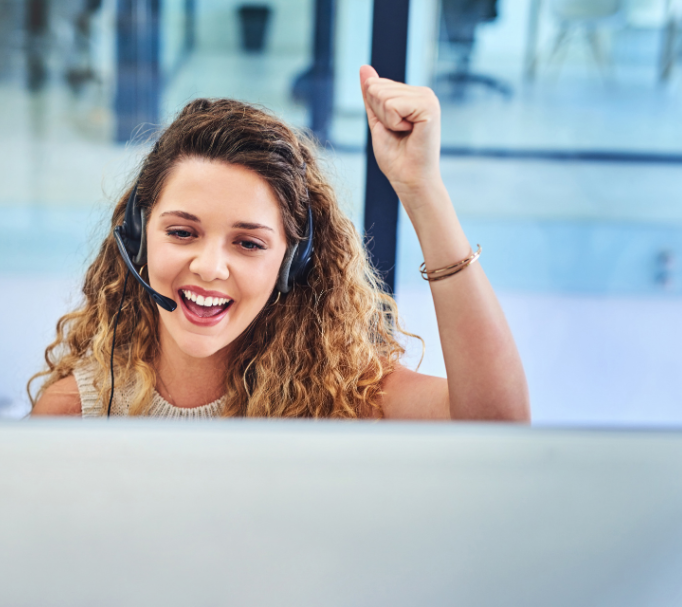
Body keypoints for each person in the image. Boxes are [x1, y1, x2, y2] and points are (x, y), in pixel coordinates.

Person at [30, 66, 530, 420]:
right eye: (182, 233)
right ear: (138, 239)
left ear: (293, 262)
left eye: (248, 244)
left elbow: (497, 427)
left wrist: (423, 190)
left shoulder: (335, 396)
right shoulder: (77, 412)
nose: (209, 267)